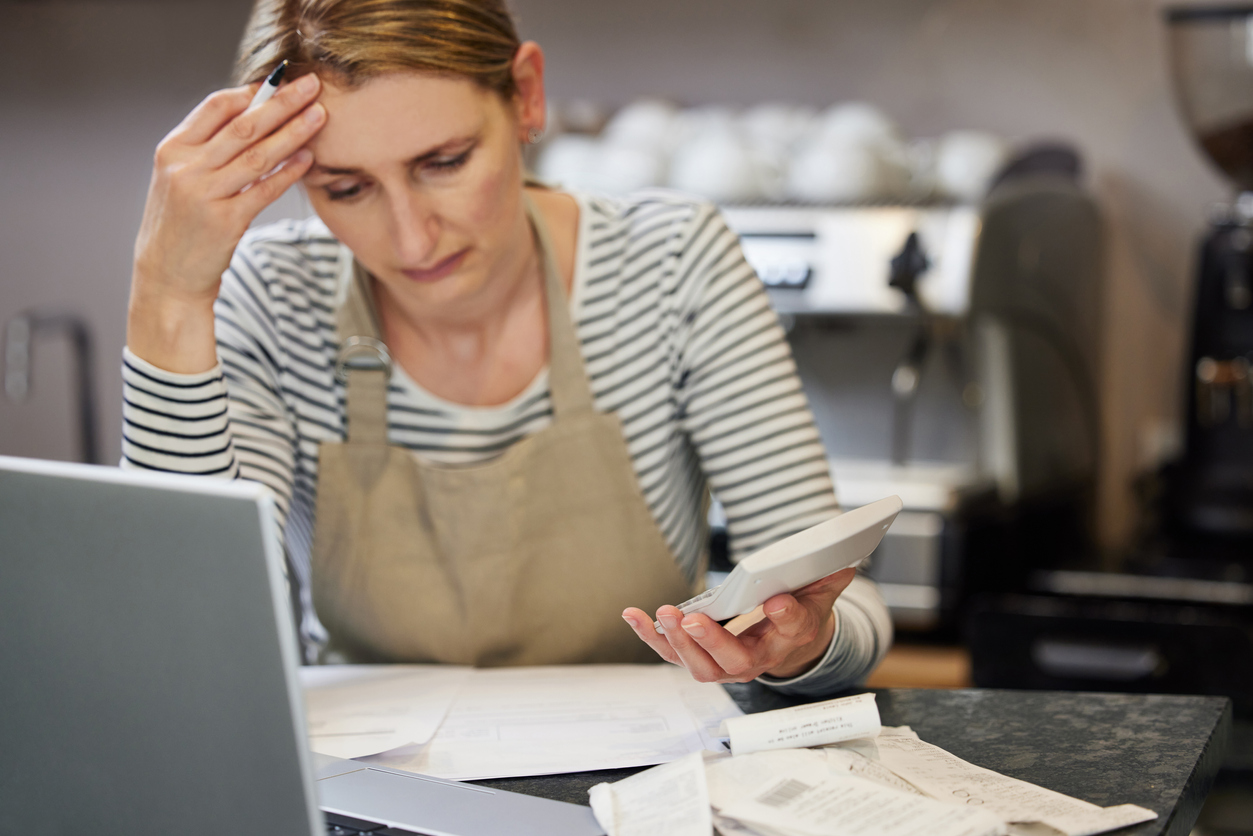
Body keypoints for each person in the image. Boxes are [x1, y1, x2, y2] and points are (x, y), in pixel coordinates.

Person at [122, 0, 891, 693]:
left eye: (444, 163)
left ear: (525, 95)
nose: (410, 237)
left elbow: (843, 602)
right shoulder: (273, 295)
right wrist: (168, 292)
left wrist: (798, 642)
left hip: (633, 784)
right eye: (345, 189)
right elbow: (178, 631)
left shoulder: (671, 263)